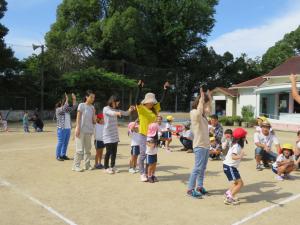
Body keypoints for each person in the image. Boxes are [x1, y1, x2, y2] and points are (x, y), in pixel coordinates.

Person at [135, 80, 169, 182]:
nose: (152, 102)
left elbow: (162, 101)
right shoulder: (141, 108)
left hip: (153, 136)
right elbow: (136, 101)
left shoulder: (155, 109)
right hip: (143, 134)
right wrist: (139, 88)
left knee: (151, 154)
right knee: (142, 155)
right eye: (150, 101)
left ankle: (148, 173)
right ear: (146, 101)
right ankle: (142, 173)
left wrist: (165, 90)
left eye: (153, 101)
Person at [187, 87, 212, 199]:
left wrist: (209, 100)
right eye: (204, 104)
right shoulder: (194, 113)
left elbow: (208, 111)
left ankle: (199, 187)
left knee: (203, 168)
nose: (207, 106)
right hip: (199, 145)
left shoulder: (204, 116)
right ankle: (190, 189)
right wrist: (202, 100)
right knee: (197, 168)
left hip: (206, 145)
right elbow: (199, 112)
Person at [103, 95, 134, 174]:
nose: (118, 104)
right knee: (108, 152)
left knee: (114, 152)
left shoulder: (117, 109)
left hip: (115, 134)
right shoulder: (106, 109)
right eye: (117, 103)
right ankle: (106, 167)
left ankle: (112, 166)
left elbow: (126, 113)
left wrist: (130, 110)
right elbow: (111, 113)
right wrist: (117, 113)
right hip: (107, 134)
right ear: (113, 101)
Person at [72, 90, 96, 172]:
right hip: (81, 130)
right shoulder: (81, 105)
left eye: (93, 97)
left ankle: (87, 165)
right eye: (91, 97)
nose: (93, 99)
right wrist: (77, 128)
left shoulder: (92, 107)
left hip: (89, 131)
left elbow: (93, 120)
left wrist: (97, 119)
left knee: (88, 149)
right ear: (86, 97)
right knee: (79, 149)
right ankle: (76, 165)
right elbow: (78, 117)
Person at [223, 128, 247, 205]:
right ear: (241, 138)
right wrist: (241, 156)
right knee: (240, 184)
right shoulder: (237, 146)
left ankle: (228, 193)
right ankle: (230, 198)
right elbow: (233, 156)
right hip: (230, 167)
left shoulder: (236, 144)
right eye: (244, 136)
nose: (245, 138)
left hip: (229, 166)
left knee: (237, 182)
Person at [55, 93, 77, 161]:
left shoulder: (67, 110)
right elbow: (64, 108)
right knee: (60, 142)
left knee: (66, 143)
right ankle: (58, 156)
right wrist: (67, 99)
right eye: (66, 102)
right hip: (61, 129)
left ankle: (63, 155)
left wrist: (74, 99)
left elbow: (74, 107)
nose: (67, 104)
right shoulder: (58, 110)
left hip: (68, 129)